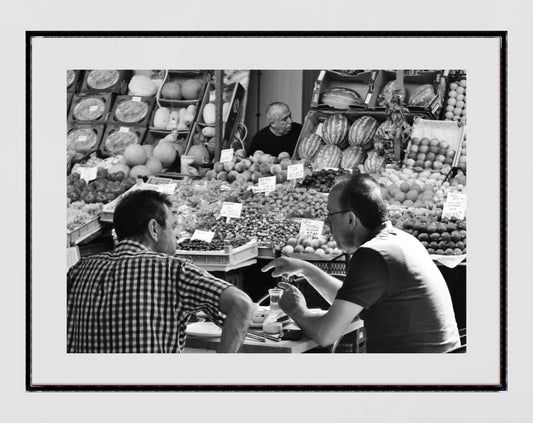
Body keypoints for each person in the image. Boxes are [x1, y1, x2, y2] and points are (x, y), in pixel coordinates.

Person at [262, 173, 461, 353]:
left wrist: (296, 310)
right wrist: (306, 269)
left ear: (350, 219)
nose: (327, 223)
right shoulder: (402, 240)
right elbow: (351, 301)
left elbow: (325, 334)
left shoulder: (374, 254)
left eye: (330, 215)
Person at [67, 189, 254, 353]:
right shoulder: (174, 270)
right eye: (172, 226)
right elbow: (242, 304)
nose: (176, 234)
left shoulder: (79, 270)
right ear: (154, 228)